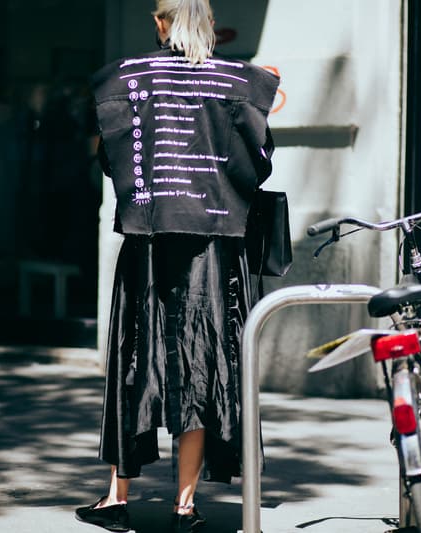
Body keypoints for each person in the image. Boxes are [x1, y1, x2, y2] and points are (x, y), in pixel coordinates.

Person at [75, 1, 279, 531]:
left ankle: (117, 497)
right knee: (201, 364)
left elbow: (110, 158)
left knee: (135, 361)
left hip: (147, 239)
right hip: (213, 244)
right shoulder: (236, 82)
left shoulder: (131, 79)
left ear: (163, 23)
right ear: (209, 24)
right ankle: (185, 505)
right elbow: (257, 165)